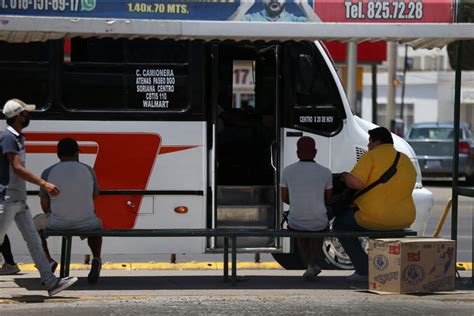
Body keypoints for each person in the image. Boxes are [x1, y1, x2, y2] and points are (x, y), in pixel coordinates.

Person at [0, 98, 78, 296]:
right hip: (7, 199)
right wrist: (43, 183)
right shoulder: (9, 137)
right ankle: (50, 281)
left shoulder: (18, 137)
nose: (29, 115)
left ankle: (51, 282)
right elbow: (17, 168)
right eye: (26, 112)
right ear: (19, 115)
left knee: (34, 240)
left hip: (18, 200)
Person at [334, 127, 416, 282]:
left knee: (340, 225)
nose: (368, 146)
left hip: (375, 217)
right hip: (403, 218)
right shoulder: (404, 159)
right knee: (377, 230)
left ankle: (364, 271)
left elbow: (356, 182)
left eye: (370, 142)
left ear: (378, 141)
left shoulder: (371, 156)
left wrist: (345, 176)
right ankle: (388, 272)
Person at [34, 137, 103, 284]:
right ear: (77, 153)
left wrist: (54, 212)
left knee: (33, 225)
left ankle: (48, 261)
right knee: (97, 224)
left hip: (58, 223)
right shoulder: (88, 170)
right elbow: (95, 195)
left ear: (58, 154)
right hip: (87, 223)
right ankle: (96, 258)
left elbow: (44, 204)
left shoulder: (48, 172)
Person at [280, 136, 332, 280]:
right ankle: (312, 264)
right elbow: (328, 198)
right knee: (317, 231)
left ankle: (311, 265)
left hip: (295, 220)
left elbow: (284, 198)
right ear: (315, 152)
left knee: (300, 232)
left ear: (297, 152)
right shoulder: (325, 172)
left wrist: (299, 202)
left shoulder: (287, 171)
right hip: (318, 220)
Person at [229, 0, 321, 22]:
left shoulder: (295, 21)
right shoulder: (249, 19)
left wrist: (304, 5)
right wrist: (243, 8)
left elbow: (320, 32)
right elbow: (227, 32)